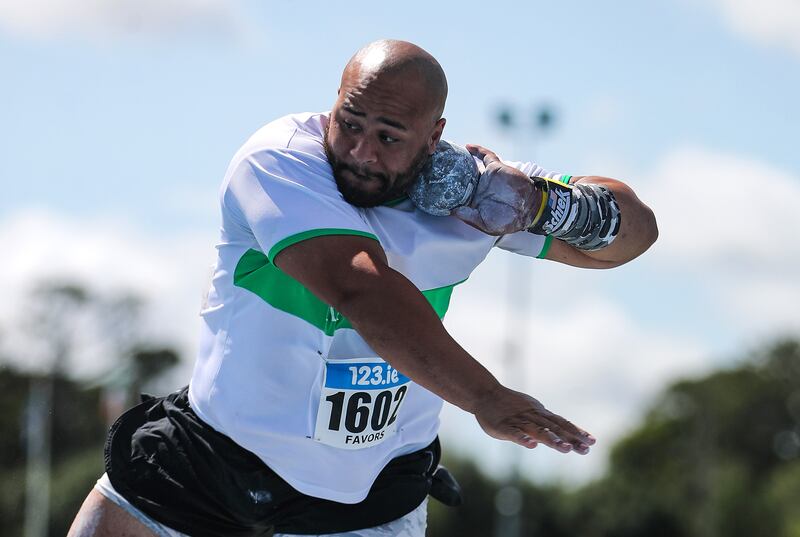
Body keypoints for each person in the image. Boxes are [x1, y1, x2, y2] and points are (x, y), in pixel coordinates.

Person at [68, 39, 658, 537]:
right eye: (349, 123)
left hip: (370, 501)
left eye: (389, 136)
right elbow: (363, 292)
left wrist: (539, 205)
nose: (359, 152)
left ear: (435, 137)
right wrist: (487, 398)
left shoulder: (471, 199)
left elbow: (634, 236)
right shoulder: (279, 162)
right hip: (211, 463)